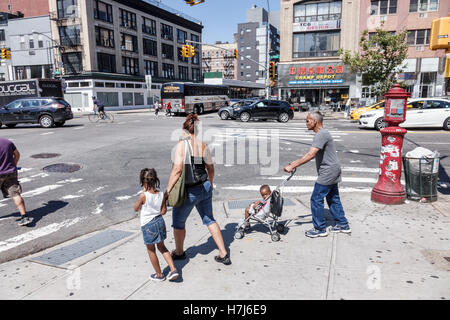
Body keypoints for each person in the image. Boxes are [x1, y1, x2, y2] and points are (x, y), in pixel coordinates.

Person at [166, 113, 231, 265]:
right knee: (209, 219)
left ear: (184, 130)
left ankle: (180, 252)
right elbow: (210, 168)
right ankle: (223, 252)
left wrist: (168, 191)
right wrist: (211, 182)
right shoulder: (203, 145)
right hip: (205, 186)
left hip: (189, 191)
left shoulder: (182, 145)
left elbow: (177, 169)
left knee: (178, 222)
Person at [283, 111, 351, 238]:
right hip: (333, 169)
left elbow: (311, 154)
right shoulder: (322, 133)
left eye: (308, 120)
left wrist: (292, 166)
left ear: (315, 121)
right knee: (333, 198)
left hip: (328, 171)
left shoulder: (321, 134)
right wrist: (295, 162)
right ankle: (343, 224)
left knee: (316, 199)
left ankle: (320, 229)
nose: (306, 123)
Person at [134, 168, 179, 282]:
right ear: (155, 180)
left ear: (143, 182)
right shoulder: (160, 194)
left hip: (148, 225)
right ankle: (173, 269)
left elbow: (135, 208)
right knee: (162, 247)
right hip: (159, 221)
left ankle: (159, 275)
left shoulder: (143, 196)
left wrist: (142, 198)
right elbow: (163, 211)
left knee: (151, 250)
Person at [0, 138, 32, 226]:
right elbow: (17, 154)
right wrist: (14, 164)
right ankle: (24, 216)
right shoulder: (7, 142)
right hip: (11, 172)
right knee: (16, 194)